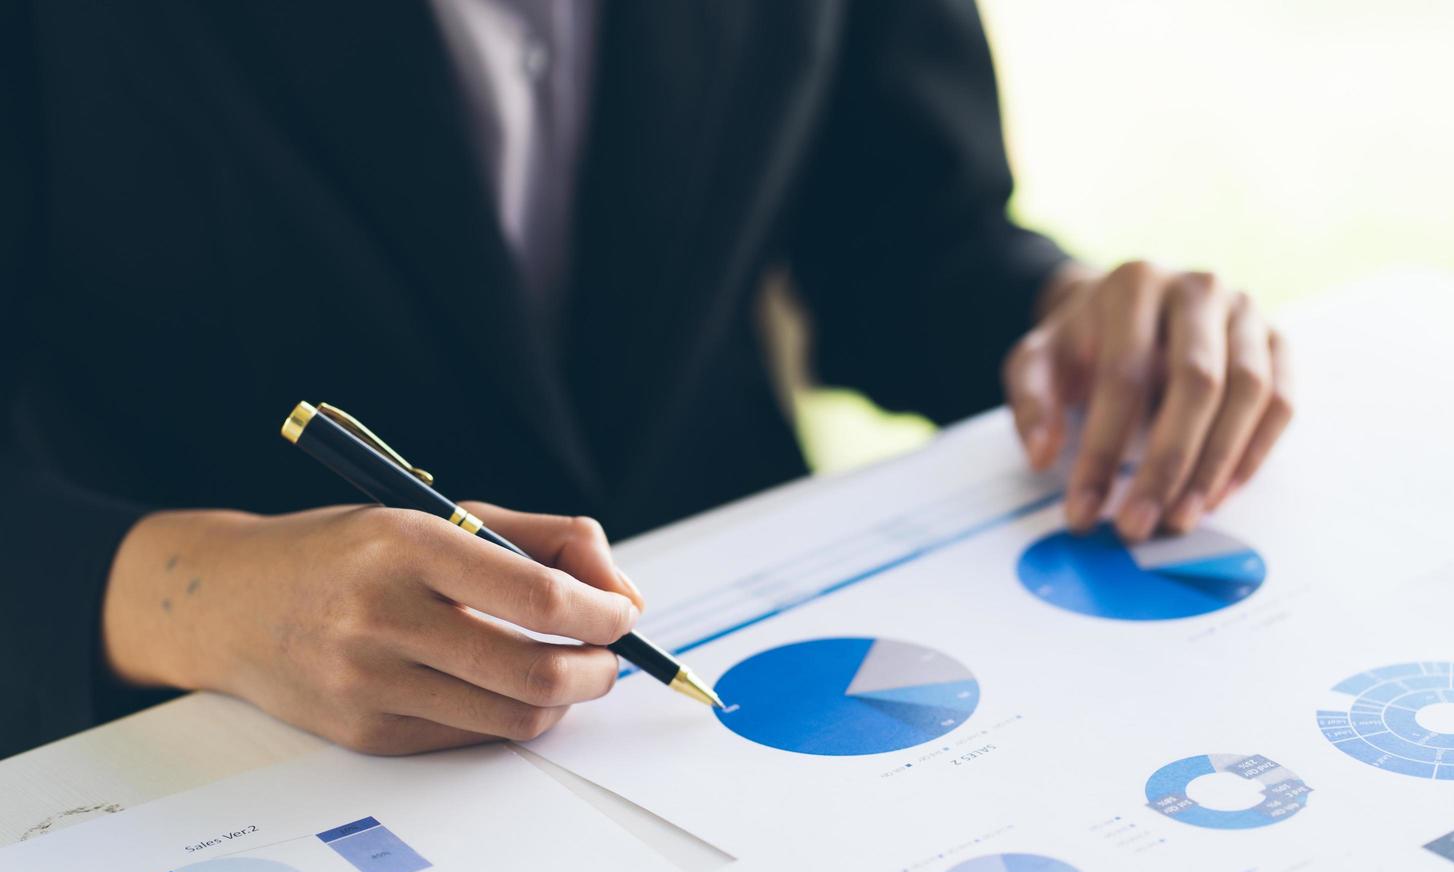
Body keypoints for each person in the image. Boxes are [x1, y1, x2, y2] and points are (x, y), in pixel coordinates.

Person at [0, 0, 1291, 758]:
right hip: (190, 739)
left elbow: (906, 242)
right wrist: (186, 595)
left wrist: (1066, 320)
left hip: (720, 622)